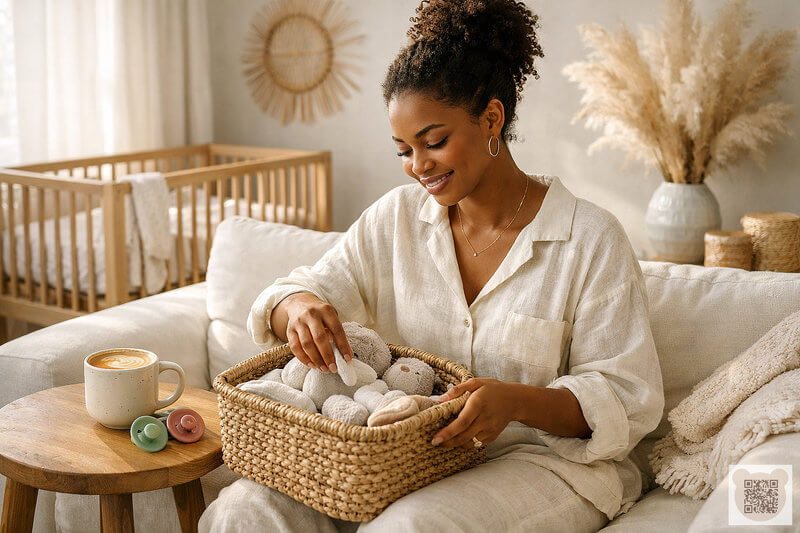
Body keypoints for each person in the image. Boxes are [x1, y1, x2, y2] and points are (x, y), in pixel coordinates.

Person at [200, 1, 664, 531]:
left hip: (537, 462)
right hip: (400, 462)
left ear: (492, 118)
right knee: (243, 508)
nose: (418, 167)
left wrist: (514, 402)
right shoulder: (395, 219)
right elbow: (295, 291)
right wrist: (298, 305)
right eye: (403, 150)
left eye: (434, 142)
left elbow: (626, 398)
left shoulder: (590, 239)